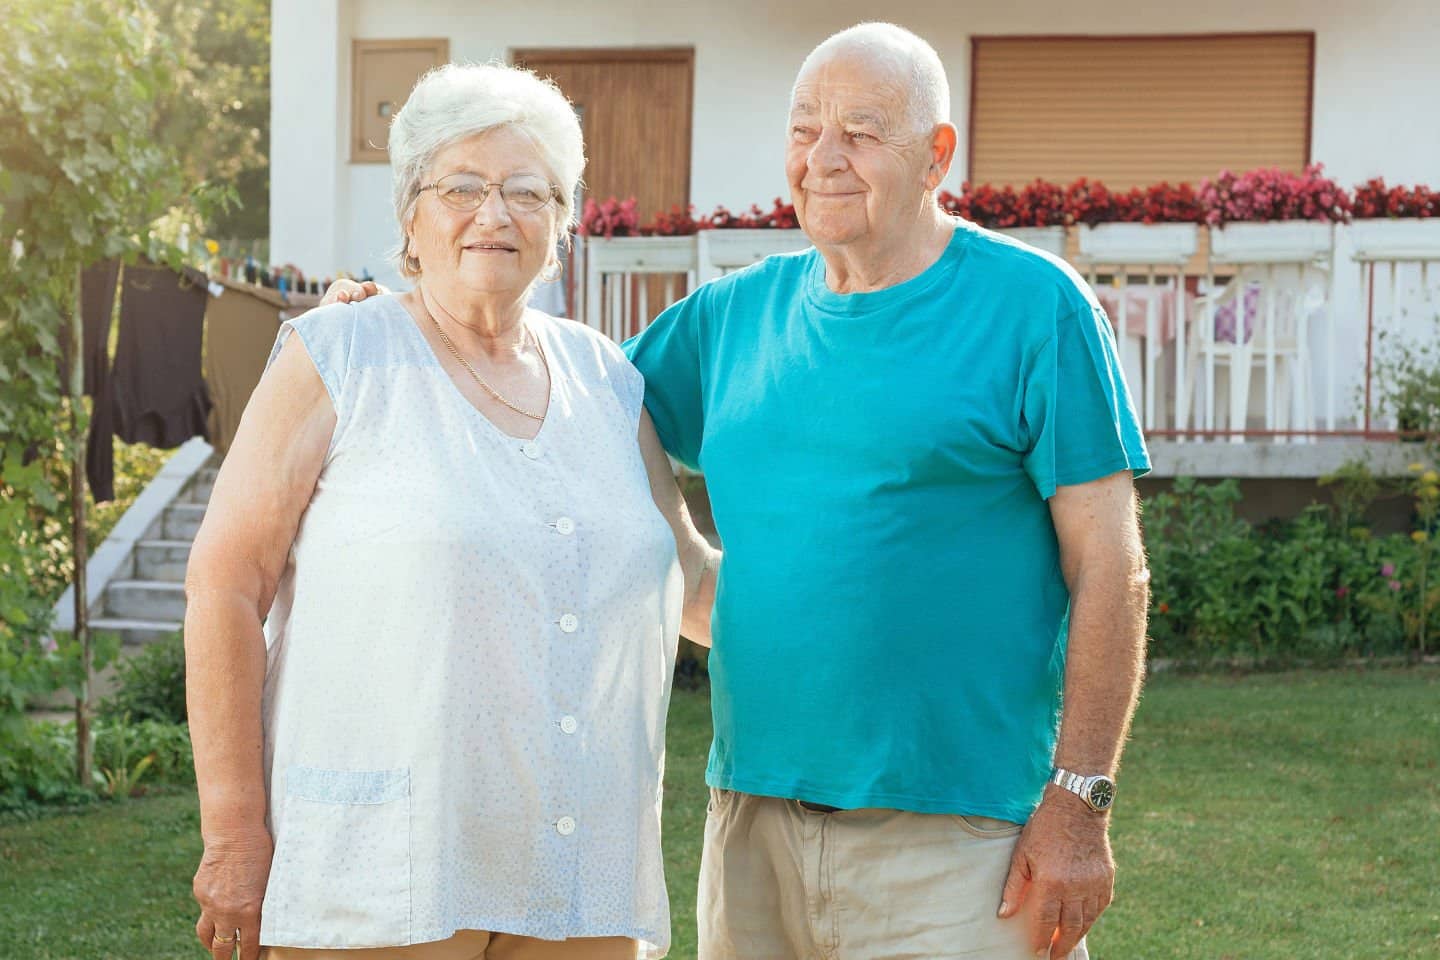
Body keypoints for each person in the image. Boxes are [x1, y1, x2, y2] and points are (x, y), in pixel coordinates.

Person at [624, 23, 1151, 960]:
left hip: (966, 844)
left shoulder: (1035, 307)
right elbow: (569, 403)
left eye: (861, 132)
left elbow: (1112, 567)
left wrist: (1079, 801)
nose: (823, 159)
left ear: (935, 155)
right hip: (751, 822)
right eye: (803, 129)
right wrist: (398, 325)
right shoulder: (730, 318)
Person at [184, 62, 716, 960]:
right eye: (461, 186)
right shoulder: (343, 352)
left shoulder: (608, 380)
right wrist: (234, 833)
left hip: (580, 870)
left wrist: (866, 617)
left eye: (528, 190)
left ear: (564, 221)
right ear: (410, 215)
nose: (494, 214)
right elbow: (225, 585)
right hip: (385, 874)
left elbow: (688, 580)